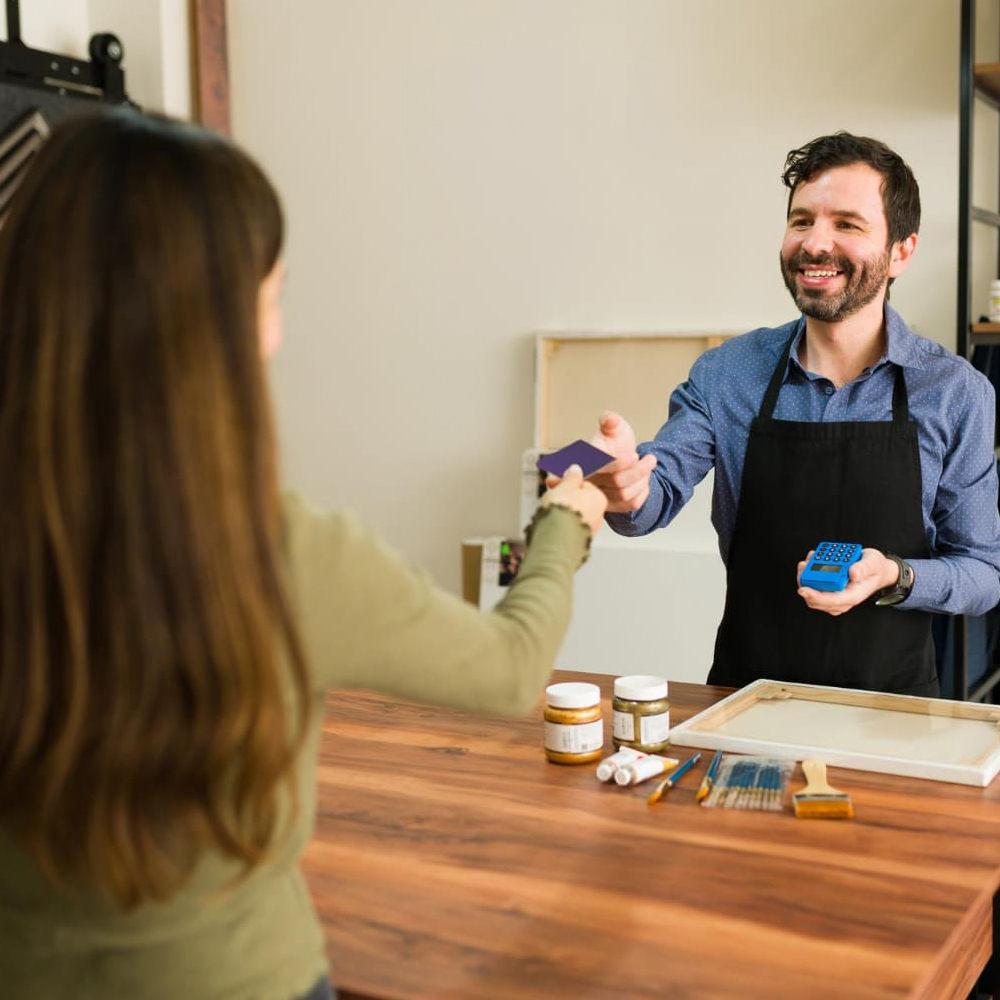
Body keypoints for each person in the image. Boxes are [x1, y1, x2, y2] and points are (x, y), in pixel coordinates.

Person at [0, 109, 606, 1000]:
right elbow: (512, 668)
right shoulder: (282, 552)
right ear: (218, 329)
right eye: (274, 295)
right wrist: (566, 521)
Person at [590, 131, 1000, 696]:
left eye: (847, 225)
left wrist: (894, 575)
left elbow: (983, 572)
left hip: (897, 719)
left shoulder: (956, 392)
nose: (814, 244)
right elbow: (652, 497)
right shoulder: (727, 373)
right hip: (744, 703)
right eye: (802, 221)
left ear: (901, 251)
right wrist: (625, 489)